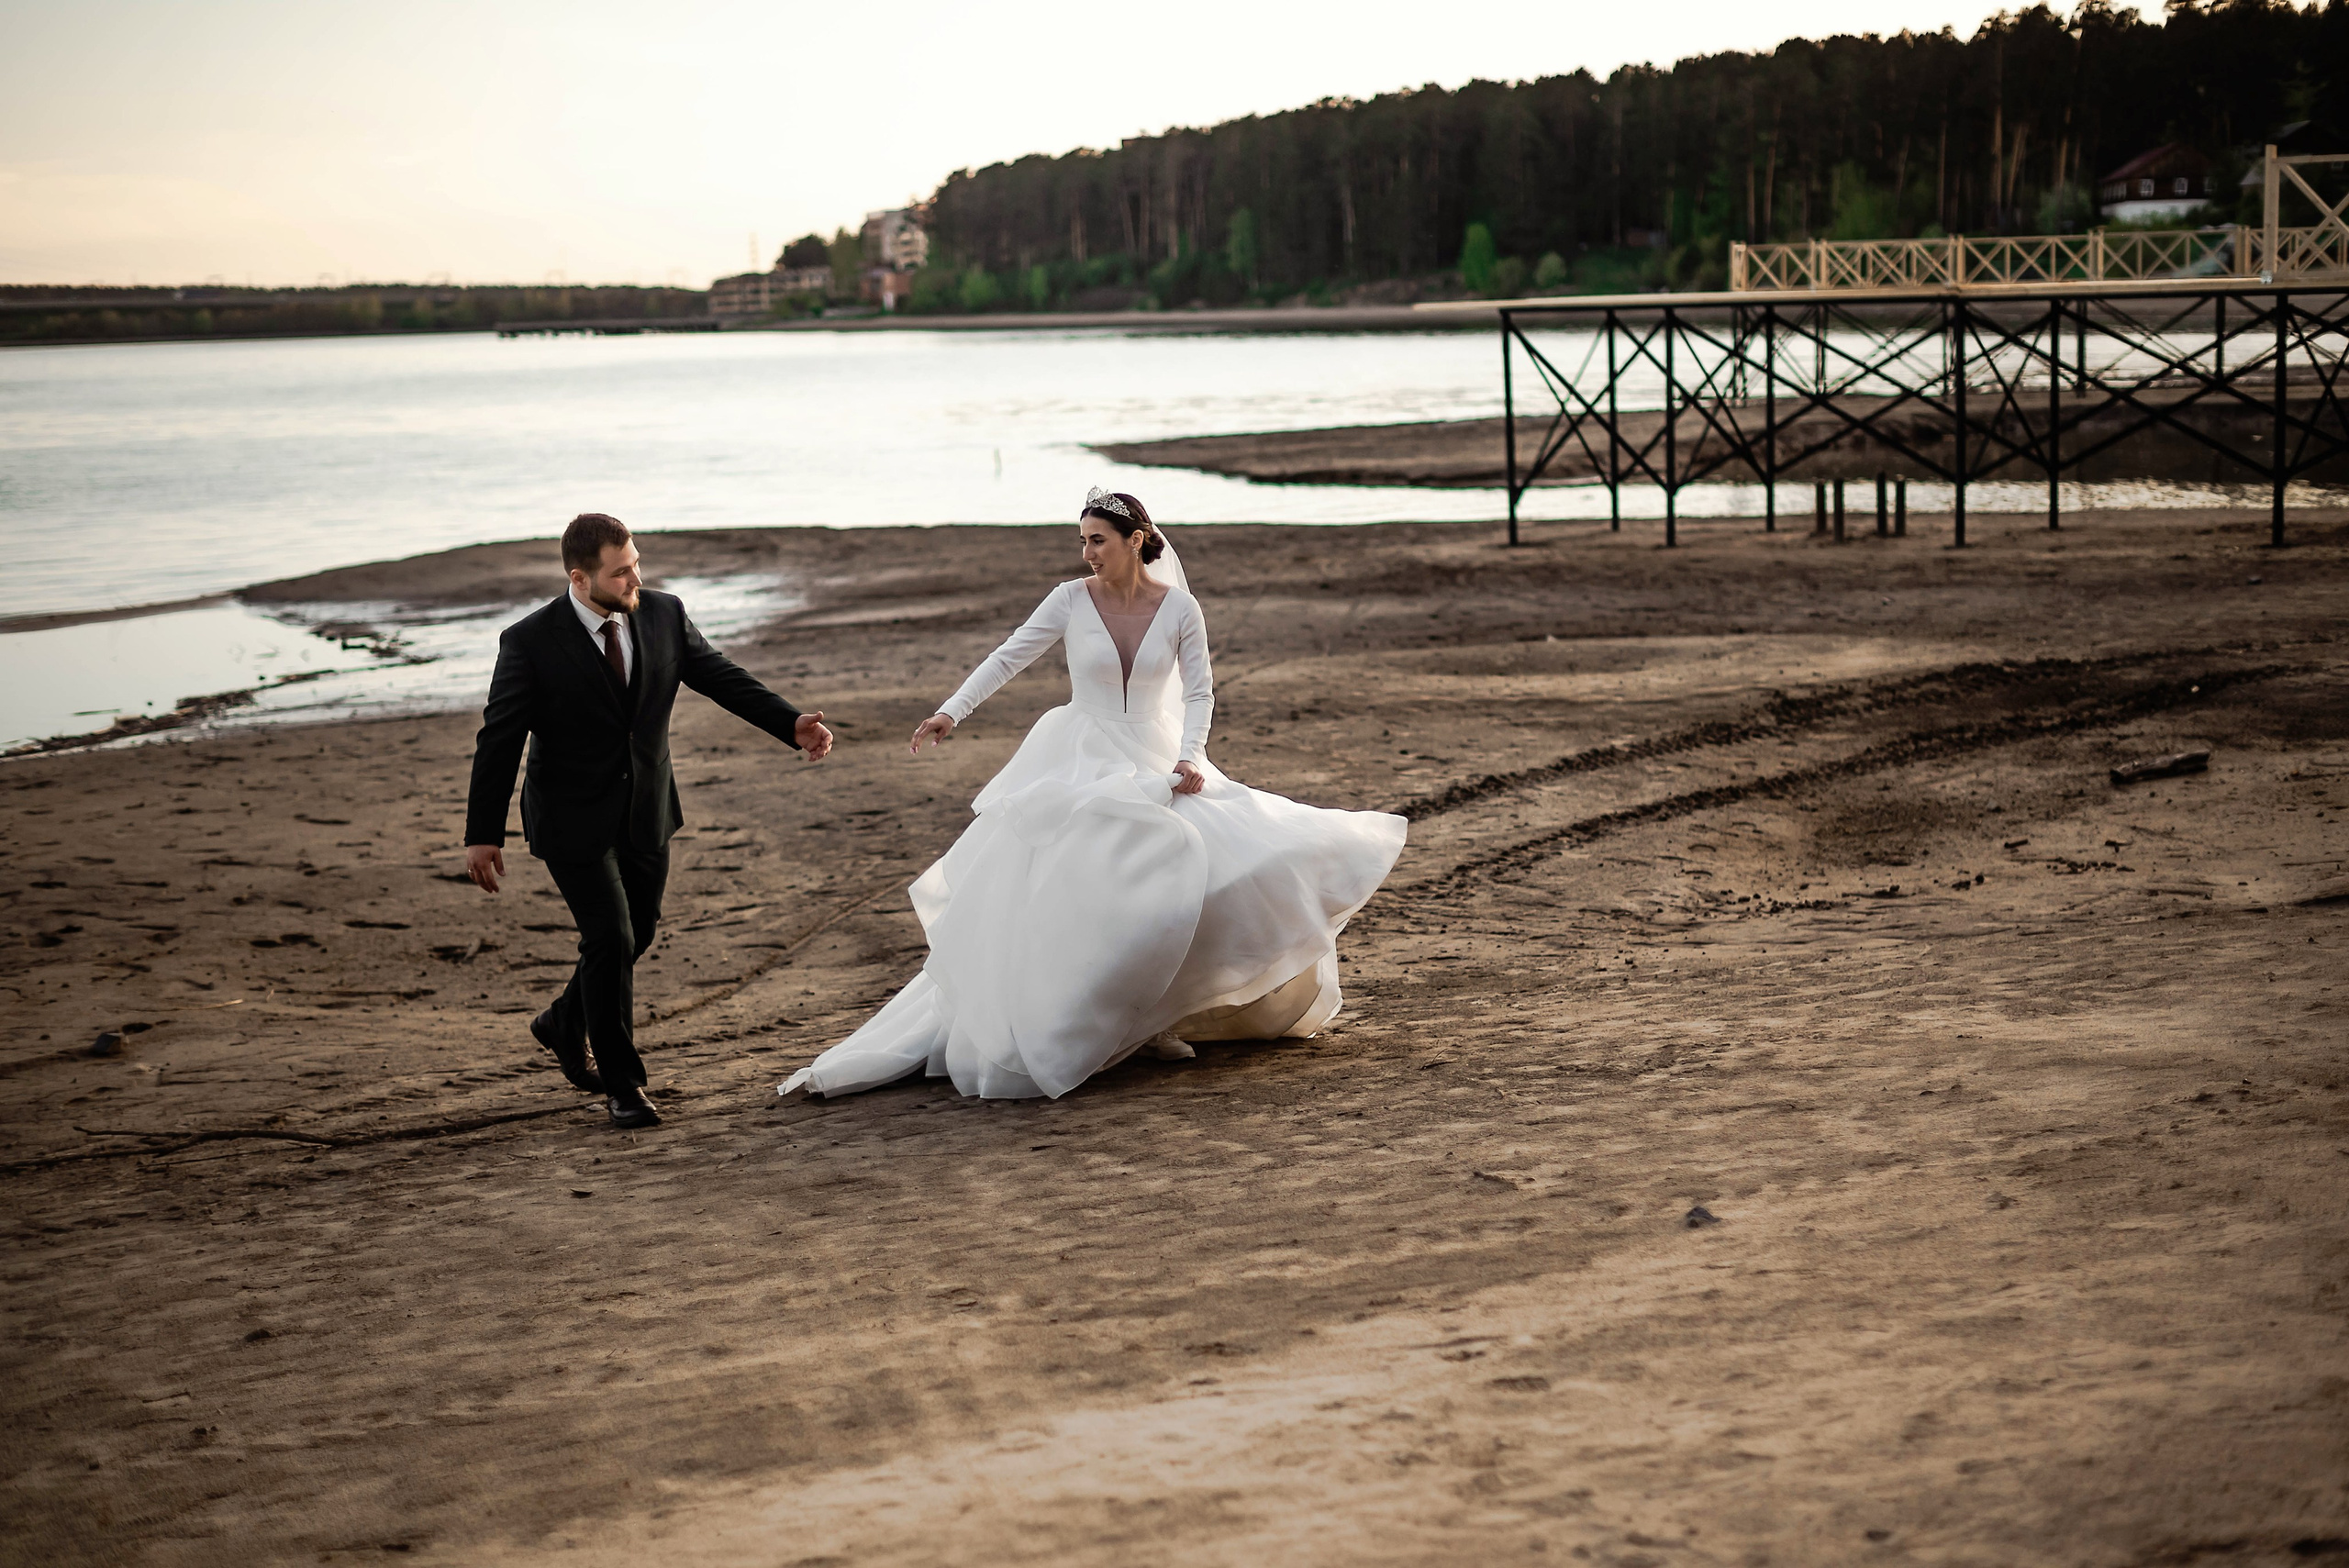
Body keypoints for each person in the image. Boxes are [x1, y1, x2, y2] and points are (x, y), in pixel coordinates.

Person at [782, 489, 1403, 1101]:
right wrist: (951, 712)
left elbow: (1199, 693)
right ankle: (1115, 1023)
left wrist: (1190, 755)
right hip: (1081, 755)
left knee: (1230, 864)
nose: (1087, 553)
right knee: (1095, 888)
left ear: (1136, 540)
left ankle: (1159, 1016)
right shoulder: (1069, 600)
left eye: (1097, 540)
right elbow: (1008, 657)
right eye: (1082, 541)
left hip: (1160, 754)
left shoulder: (1181, 608)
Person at [464, 513, 831, 1129]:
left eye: (636, 563)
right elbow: (498, 737)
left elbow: (720, 676)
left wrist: (789, 723)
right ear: (581, 579)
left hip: (647, 809)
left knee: (639, 932)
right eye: (621, 571)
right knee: (608, 935)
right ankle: (622, 1085)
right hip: (570, 817)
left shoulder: (663, 612)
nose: (636, 576)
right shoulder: (529, 641)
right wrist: (483, 831)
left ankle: (562, 1020)